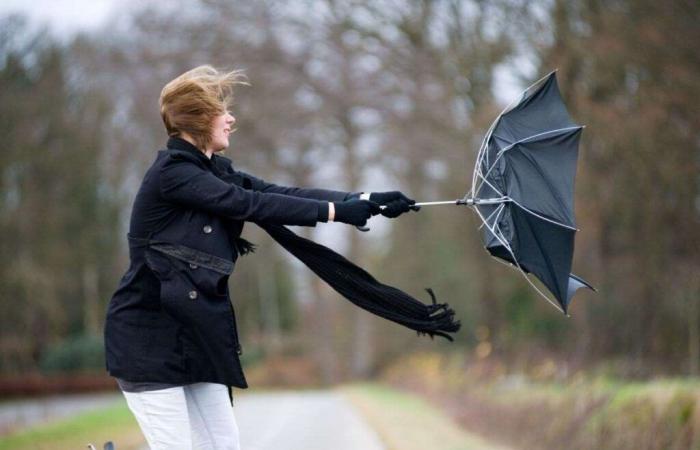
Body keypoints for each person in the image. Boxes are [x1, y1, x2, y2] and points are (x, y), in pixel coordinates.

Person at [103, 65, 417, 449]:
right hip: (147, 342)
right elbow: (249, 203)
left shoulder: (214, 170)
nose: (231, 119)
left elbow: (278, 191)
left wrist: (362, 200)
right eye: (222, 111)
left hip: (196, 337)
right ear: (200, 119)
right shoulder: (173, 175)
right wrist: (336, 214)